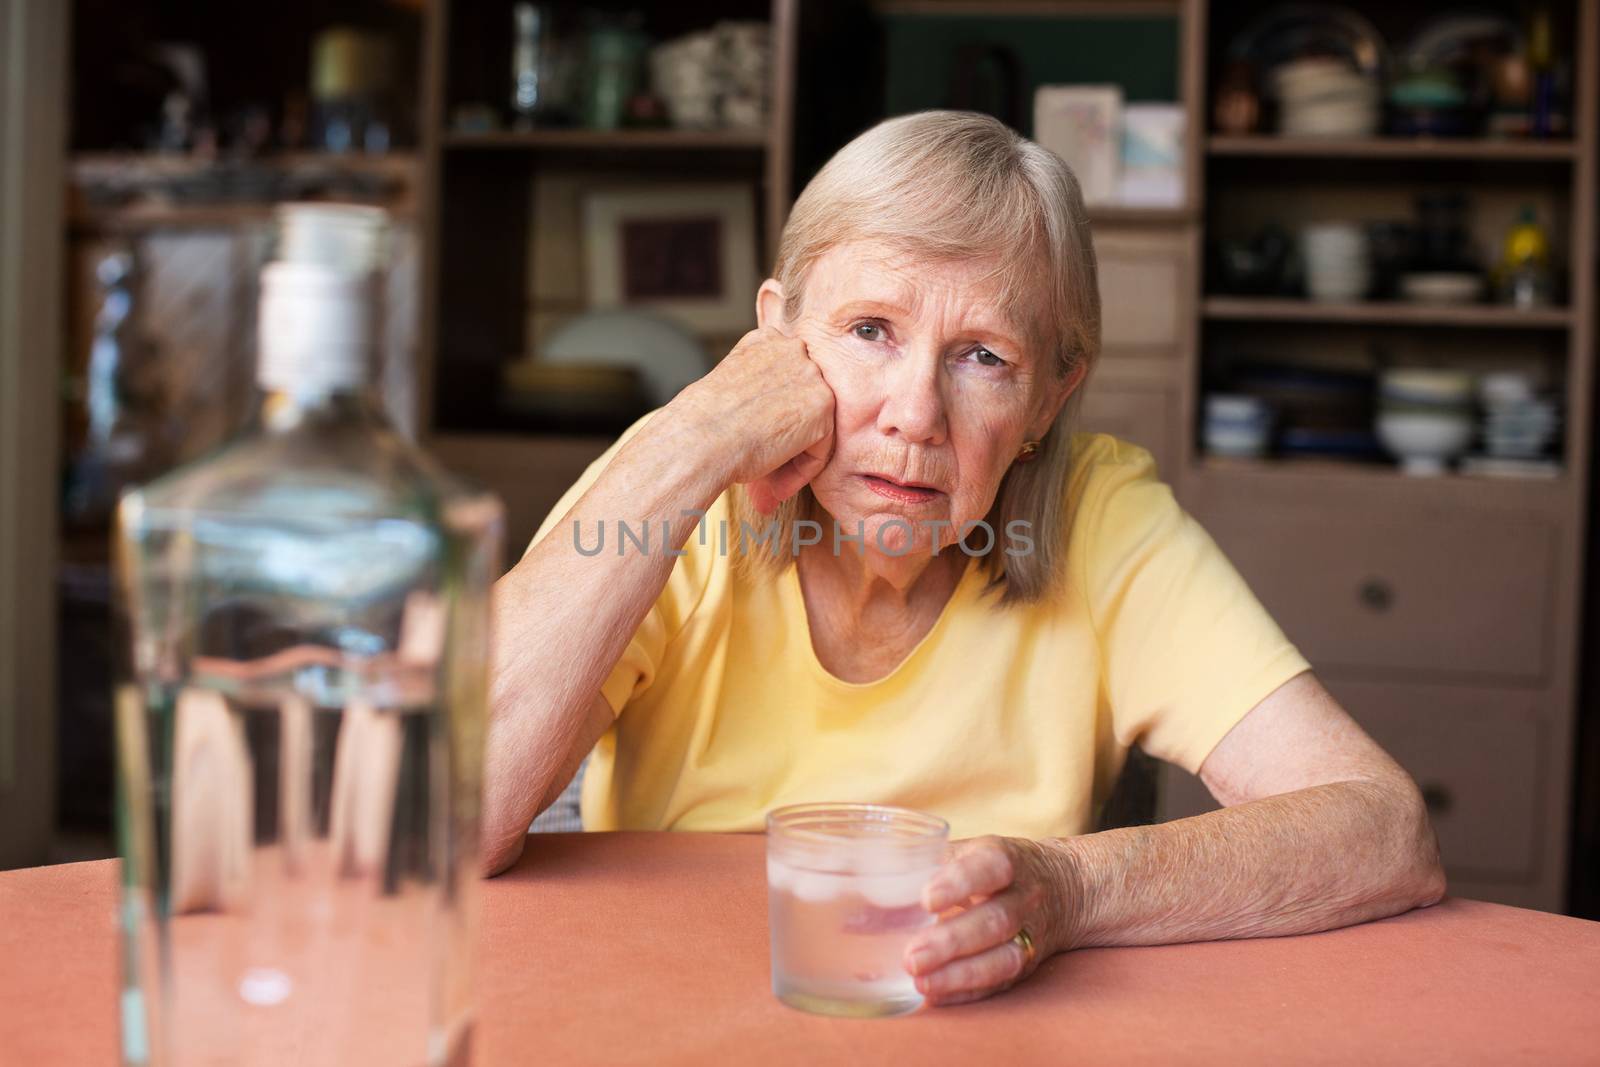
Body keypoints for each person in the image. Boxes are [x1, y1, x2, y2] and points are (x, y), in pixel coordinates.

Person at [483, 110, 1445, 1007]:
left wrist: (1071, 887)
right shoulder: (670, 485)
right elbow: (448, 815)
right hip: (669, 1008)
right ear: (775, 335)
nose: (915, 413)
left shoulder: (1099, 516)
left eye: (983, 355)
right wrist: (690, 439)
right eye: (869, 331)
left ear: (1050, 401)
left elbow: (1382, 831)